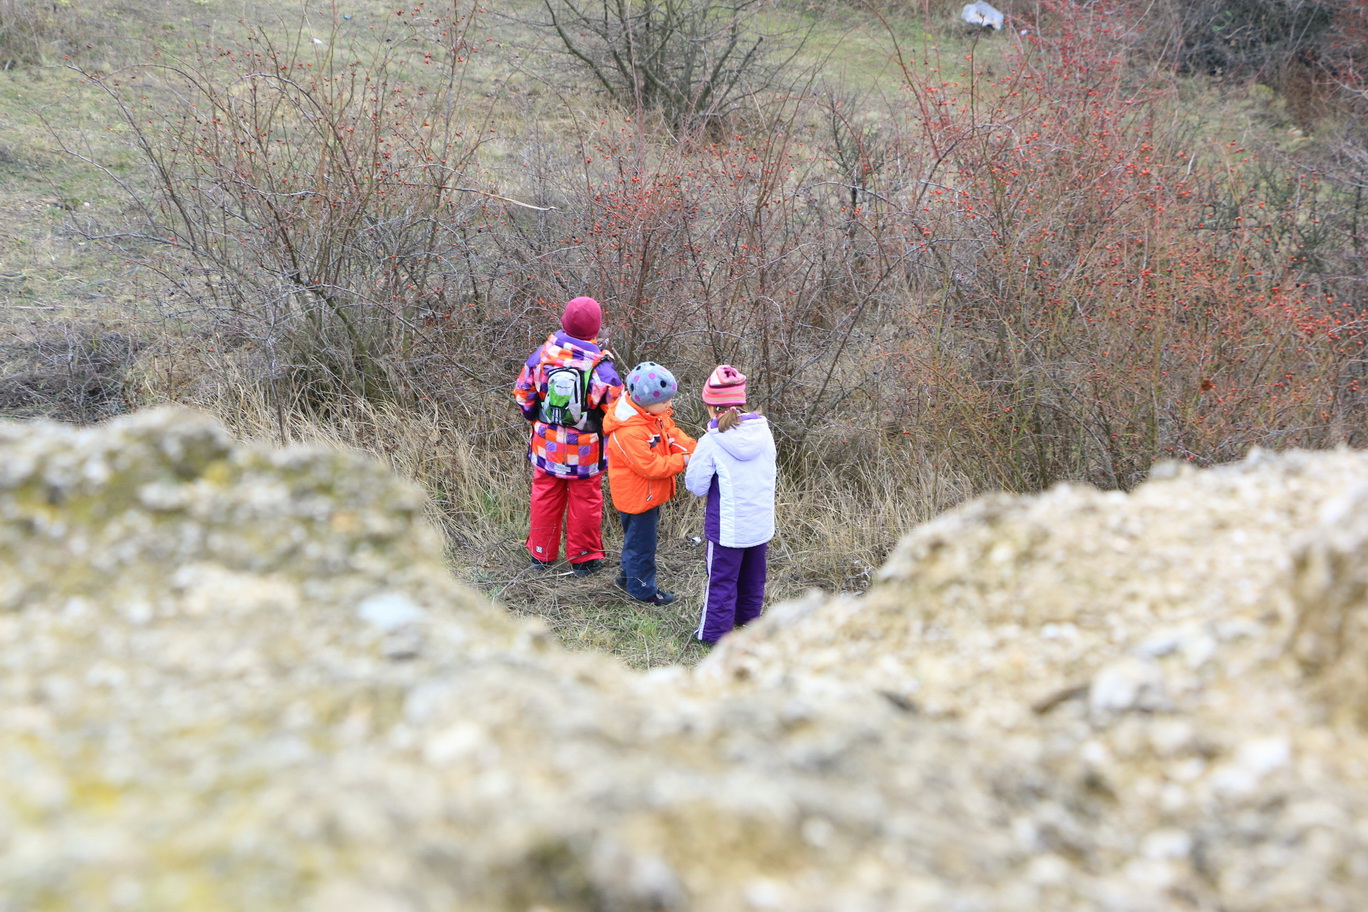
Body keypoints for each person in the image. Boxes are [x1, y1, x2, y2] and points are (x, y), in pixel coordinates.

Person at [513, 296, 622, 576]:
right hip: (586, 451)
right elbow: (617, 411)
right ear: (597, 330)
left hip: (545, 444)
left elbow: (523, 393)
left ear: (563, 322)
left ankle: (541, 554)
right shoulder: (601, 367)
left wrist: (534, 418)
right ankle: (584, 559)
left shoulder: (542, 356)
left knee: (544, 496)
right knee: (586, 500)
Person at [684, 365, 776, 644]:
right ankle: (748, 621)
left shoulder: (711, 441)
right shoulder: (764, 431)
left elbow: (696, 485)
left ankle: (713, 634)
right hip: (760, 524)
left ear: (710, 406)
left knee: (721, 582)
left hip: (727, 529)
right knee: (753, 577)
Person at [603, 361, 697, 605]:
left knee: (636, 541)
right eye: (664, 401)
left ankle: (627, 578)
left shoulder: (652, 416)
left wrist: (697, 449)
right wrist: (685, 460)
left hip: (647, 495)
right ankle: (643, 590)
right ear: (644, 400)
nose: (669, 405)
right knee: (642, 547)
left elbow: (672, 436)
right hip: (637, 498)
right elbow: (651, 467)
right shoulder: (629, 431)